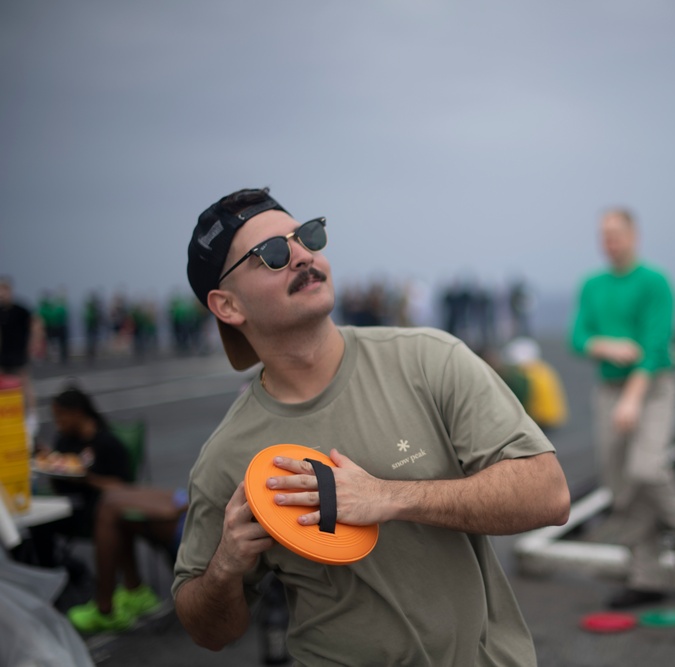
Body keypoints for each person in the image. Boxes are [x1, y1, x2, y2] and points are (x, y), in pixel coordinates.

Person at [175, 188, 570, 665]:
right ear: (228, 306)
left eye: (307, 236)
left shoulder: (428, 359)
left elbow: (547, 494)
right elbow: (207, 630)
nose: (302, 255)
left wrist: (388, 496)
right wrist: (224, 569)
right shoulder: (226, 456)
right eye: (272, 255)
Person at [569, 207, 675, 610]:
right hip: (609, 388)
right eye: (603, 234)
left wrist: (632, 399)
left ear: (634, 235)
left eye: (615, 233)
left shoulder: (655, 282)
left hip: (654, 385)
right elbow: (578, 336)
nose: (609, 241)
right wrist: (607, 345)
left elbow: (656, 347)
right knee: (622, 487)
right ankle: (645, 578)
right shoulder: (591, 284)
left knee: (647, 467)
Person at [29, 387, 135, 568]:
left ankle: (64, 571)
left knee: (41, 526)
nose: (58, 423)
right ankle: (60, 570)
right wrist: (51, 461)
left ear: (77, 413)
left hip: (96, 510)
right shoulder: (64, 439)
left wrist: (88, 479)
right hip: (67, 505)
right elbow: (57, 481)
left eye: (61, 416)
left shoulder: (107, 443)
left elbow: (124, 488)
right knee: (35, 521)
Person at [66, 486, 188, 633]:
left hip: (201, 513)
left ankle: (105, 610)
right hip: (194, 496)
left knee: (110, 509)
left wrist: (185, 507)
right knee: (112, 498)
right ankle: (135, 592)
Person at [0, 276, 37, 432]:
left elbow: (36, 323)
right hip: (3, 354)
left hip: (19, 352)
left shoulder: (20, 310)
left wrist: (33, 344)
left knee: (25, 383)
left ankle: (32, 416)